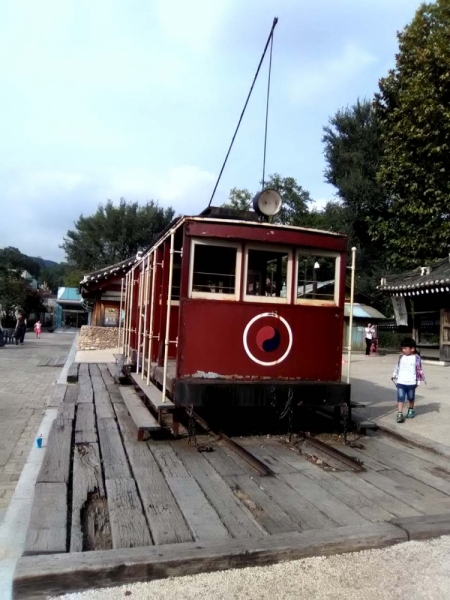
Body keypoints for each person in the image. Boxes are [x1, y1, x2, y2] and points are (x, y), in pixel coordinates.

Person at [392, 337, 426, 423]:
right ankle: (400, 413)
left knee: (411, 397)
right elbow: (398, 366)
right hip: (401, 381)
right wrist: (394, 374)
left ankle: (411, 409)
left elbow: (419, 370)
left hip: (411, 382)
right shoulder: (401, 357)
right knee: (400, 397)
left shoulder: (416, 358)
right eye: (402, 348)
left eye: (405, 348)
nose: (403, 350)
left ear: (412, 349)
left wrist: (418, 381)